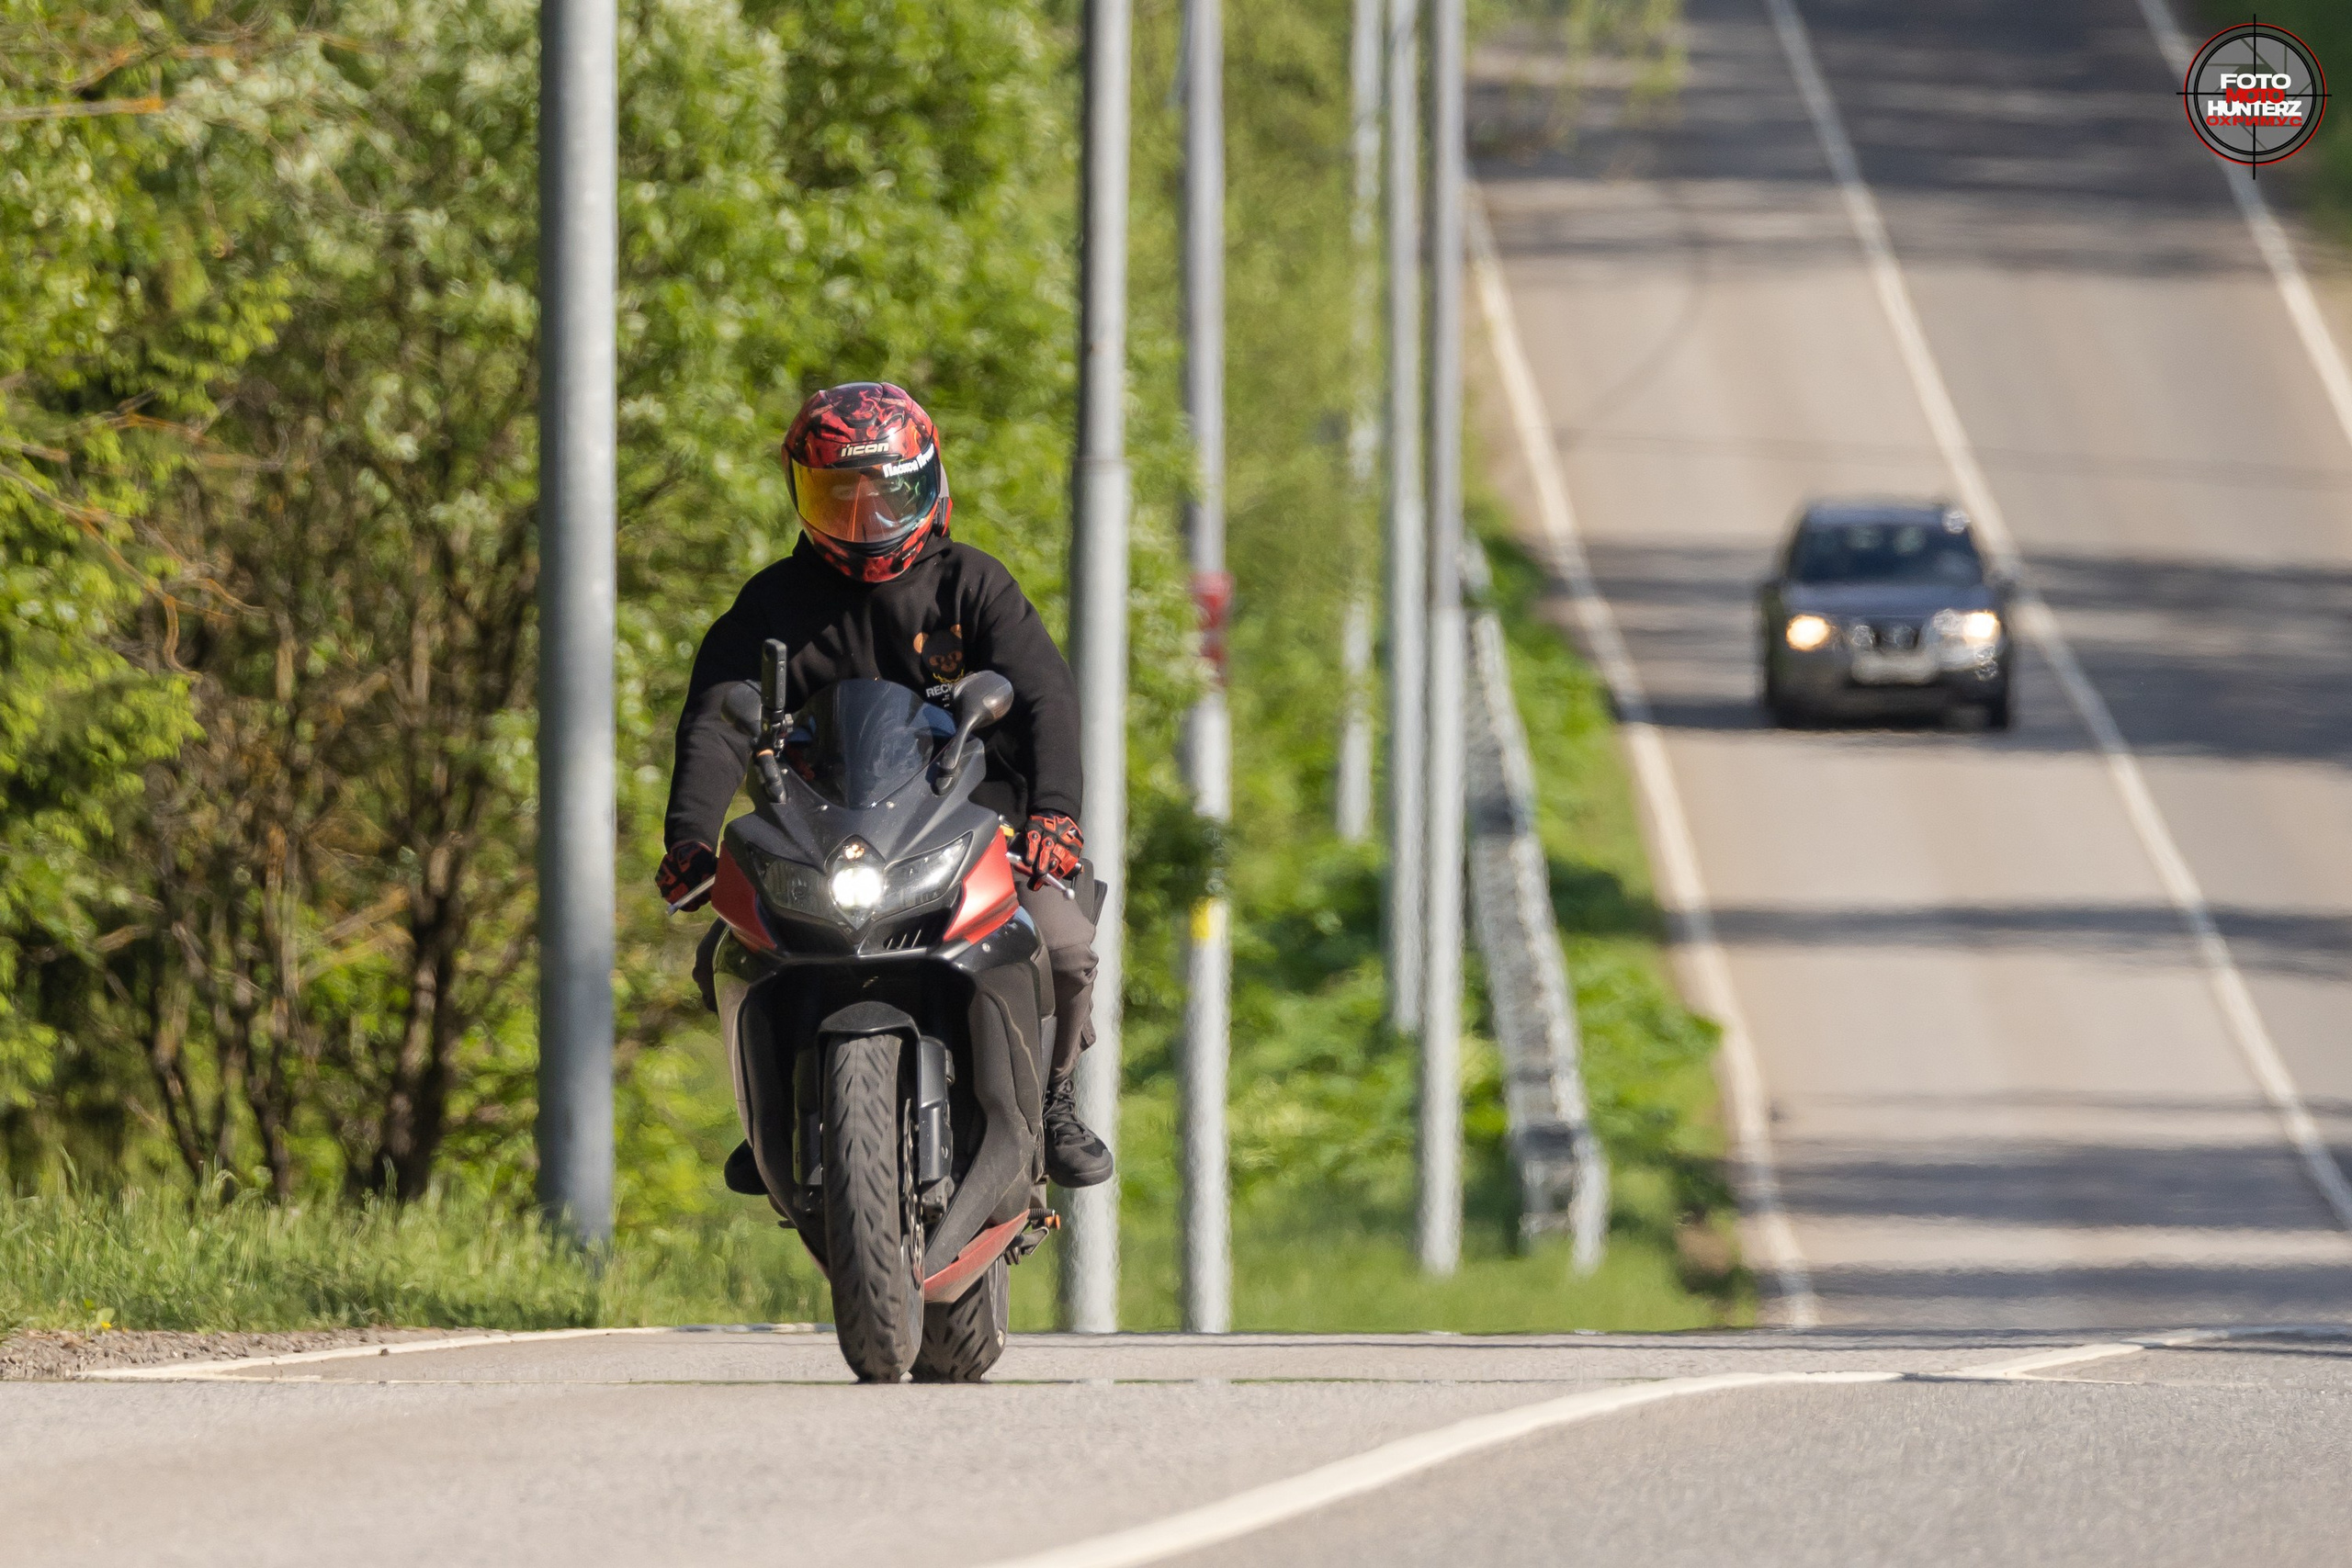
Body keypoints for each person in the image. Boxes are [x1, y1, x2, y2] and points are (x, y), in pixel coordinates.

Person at [654, 381, 1113, 1190]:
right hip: (819, 841)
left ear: (927, 483)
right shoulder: (770, 604)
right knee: (725, 952)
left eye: (886, 494)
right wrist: (689, 838)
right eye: (838, 496)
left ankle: (1052, 1103)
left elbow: (1045, 697)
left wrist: (1056, 815)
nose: (863, 518)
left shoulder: (973, 584)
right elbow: (716, 720)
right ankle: (773, 1106)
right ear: (802, 496)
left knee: (1065, 946)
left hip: (976, 831)